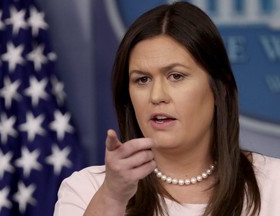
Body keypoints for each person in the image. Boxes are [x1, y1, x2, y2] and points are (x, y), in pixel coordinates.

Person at [53, 2, 280, 216]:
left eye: (176, 76)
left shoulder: (274, 183)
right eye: (142, 80)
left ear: (220, 89)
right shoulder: (88, 189)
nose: (157, 96)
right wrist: (113, 197)